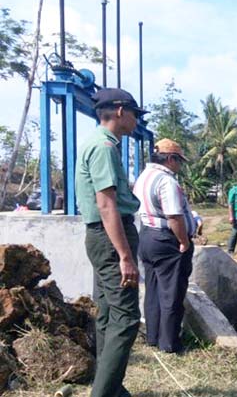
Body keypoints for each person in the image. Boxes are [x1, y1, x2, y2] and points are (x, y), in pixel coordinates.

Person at [75, 87, 148, 397]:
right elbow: (106, 205)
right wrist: (125, 256)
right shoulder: (104, 147)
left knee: (107, 314)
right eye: (134, 114)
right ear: (120, 111)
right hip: (110, 239)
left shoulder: (97, 142)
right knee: (127, 318)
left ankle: (111, 388)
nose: (136, 120)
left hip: (101, 237)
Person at [133, 138, 195, 354]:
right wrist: (184, 242)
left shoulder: (144, 176)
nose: (180, 166)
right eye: (179, 161)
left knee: (153, 290)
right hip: (167, 240)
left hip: (147, 236)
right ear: (170, 159)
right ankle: (169, 344)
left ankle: (153, 337)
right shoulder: (167, 181)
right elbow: (174, 217)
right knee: (171, 293)